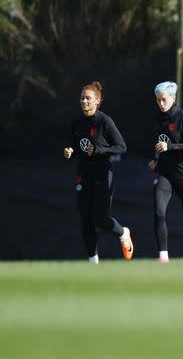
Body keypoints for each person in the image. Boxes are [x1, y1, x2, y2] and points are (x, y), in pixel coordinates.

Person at [63, 81, 132, 263]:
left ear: (97, 101)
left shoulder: (104, 121)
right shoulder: (77, 123)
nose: (84, 101)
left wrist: (100, 150)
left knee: (100, 219)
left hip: (102, 174)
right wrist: (70, 150)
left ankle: (123, 232)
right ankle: (94, 262)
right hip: (83, 174)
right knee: (85, 219)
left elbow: (121, 146)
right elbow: (76, 146)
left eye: (88, 98)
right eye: (82, 98)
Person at [148, 81, 183, 263]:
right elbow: (158, 143)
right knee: (158, 212)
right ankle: (163, 256)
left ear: (173, 98)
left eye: (164, 99)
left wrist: (170, 147)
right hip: (163, 173)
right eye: (158, 100)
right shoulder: (157, 118)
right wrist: (155, 159)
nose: (161, 103)